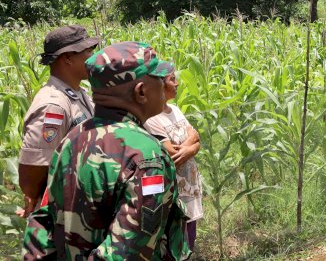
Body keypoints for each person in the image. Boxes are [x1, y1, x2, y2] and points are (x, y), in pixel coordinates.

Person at [22, 42, 191, 260]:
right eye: (159, 78)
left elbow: (42, 221)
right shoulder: (146, 155)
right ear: (141, 91)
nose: (165, 84)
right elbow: (130, 250)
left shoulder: (73, 138)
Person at [17, 25, 99, 218]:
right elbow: (33, 171)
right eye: (87, 51)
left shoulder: (79, 94)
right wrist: (35, 198)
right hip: (61, 215)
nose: (93, 58)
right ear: (68, 57)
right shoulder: (54, 104)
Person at [144, 63, 203, 251]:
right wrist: (191, 142)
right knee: (175, 246)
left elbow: (197, 139)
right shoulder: (151, 118)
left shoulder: (176, 110)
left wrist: (191, 145)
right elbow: (173, 155)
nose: (177, 84)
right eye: (172, 79)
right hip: (173, 195)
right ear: (159, 85)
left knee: (189, 242)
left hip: (190, 190)